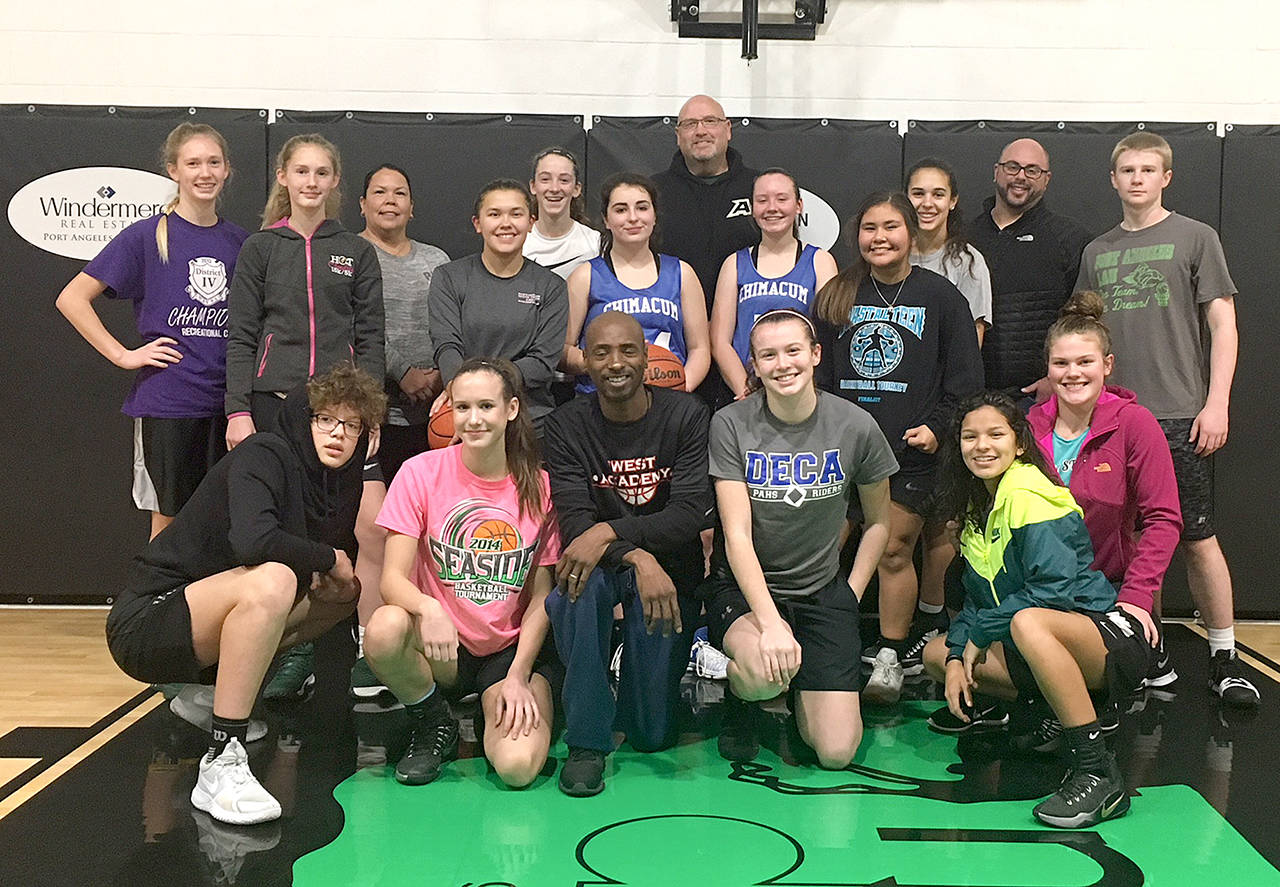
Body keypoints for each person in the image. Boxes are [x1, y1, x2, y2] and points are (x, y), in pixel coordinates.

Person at [105, 364, 387, 825]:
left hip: (204, 621)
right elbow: (255, 543)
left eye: (351, 424)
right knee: (274, 579)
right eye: (325, 419)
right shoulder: (266, 453)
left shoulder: (339, 480)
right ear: (303, 417)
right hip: (145, 623)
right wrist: (325, 557)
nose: (338, 433)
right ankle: (221, 759)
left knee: (344, 593)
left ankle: (212, 695)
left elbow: (332, 578)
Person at [1074, 131, 1258, 708]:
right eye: (1126, 170)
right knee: (1127, 542)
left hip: (1180, 415)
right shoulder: (1097, 251)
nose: (1136, 179)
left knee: (1196, 536)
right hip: (1114, 418)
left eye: (1147, 170)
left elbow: (1223, 326)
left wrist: (1217, 402)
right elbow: (1083, 334)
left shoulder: (1195, 237)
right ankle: (1146, 654)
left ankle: (1224, 656)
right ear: (1112, 178)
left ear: (1165, 177)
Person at [922, 392, 1149, 828]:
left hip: (1106, 638)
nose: (981, 445)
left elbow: (1053, 592)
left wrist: (980, 633)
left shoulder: (1029, 492)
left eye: (995, 434)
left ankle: (1098, 771)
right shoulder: (978, 505)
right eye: (970, 436)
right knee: (936, 654)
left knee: (1026, 622)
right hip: (1051, 636)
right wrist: (955, 654)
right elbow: (977, 600)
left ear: (1020, 443)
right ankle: (1053, 714)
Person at [224, 132, 385, 701]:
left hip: (339, 407)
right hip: (274, 404)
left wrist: (371, 413)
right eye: (301, 172)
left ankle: (336, 648)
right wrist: (238, 410)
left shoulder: (357, 251)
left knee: (338, 526)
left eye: (322, 172)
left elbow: (372, 338)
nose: (311, 182)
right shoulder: (261, 249)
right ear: (284, 178)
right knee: (283, 528)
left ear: (335, 181)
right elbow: (241, 335)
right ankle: (283, 650)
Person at [812, 192, 983, 704]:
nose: (879, 238)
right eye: (868, 228)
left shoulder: (942, 297)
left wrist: (939, 425)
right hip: (841, 452)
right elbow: (816, 375)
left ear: (911, 233)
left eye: (890, 227)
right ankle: (813, 645)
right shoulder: (837, 294)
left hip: (910, 453)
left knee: (891, 548)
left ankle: (891, 654)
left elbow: (967, 380)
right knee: (824, 551)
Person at [707, 308, 896, 768]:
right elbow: (736, 536)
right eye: (768, 355)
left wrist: (848, 596)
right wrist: (771, 624)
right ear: (754, 365)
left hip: (822, 591)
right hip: (749, 591)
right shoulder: (730, 424)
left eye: (793, 351)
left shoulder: (855, 425)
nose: (782, 364)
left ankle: (795, 687)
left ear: (814, 355)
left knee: (835, 752)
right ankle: (735, 687)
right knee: (762, 674)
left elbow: (878, 523)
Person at [365, 358, 561, 788]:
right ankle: (436, 723)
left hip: (508, 650)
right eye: (462, 407)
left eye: (486, 407)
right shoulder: (420, 472)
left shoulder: (540, 486)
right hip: (444, 648)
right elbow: (392, 580)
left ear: (511, 410)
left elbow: (543, 598)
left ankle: (511, 702)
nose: (473, 420)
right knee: (383, 628)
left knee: (518, 767)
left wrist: (518, 675)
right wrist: (427, 607)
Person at [543, 311, 711, 796]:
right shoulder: (567, 424)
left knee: (653, 734)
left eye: (627, 350)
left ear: (646, 357)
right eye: (601, 352)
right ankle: (587, 741)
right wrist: (637, 556)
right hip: (607, 569)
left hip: (669, 571)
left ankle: (633, 695)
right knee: (575, 589)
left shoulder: (686, 415)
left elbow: (689, 515)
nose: (615, 363)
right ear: (585, 364)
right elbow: (577, 529)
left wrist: (610, 531)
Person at [55, 123, 248, 540]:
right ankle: (155, 606)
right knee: (169, 523)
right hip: (170, 403)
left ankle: (209, 606)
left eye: (213, 162)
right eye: (193, 163)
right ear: (173, 170)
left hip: (229, 406)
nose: (205, 172)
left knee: (225, 523)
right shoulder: (146, 235)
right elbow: (72, 298)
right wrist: (125, 355)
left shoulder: (240, 243)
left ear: (227, 169)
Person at [348, 164, 451, 697]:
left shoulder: (436, 261)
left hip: (433, 419)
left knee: (431, 537)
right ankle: (371, 646)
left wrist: (437, 374)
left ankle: (421, 637)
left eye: (400, 193)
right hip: (375, 418)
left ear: (412, 207)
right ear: (362, 204)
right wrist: (399, 373)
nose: (390, 201)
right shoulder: (350, 255)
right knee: (376, 536)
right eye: (379, 193)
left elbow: (449, 325)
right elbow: (356, 328)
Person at [902, 157, 994, 675]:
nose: (927, 203)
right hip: (899, 407)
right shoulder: (888, 251)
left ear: (953, 201)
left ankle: (933, 622)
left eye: (938, 193)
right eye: (917, 193)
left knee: (944, 526)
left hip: (948, 411)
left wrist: (947, 414)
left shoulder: (968, 263)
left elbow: (970, 349)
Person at [430, 179, 569, 433]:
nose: (506, 223)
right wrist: (463, 391)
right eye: (494, 214)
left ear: (531, 222)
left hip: (531, 421)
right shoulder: (449, 277)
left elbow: (542, 362)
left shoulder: (552, 286)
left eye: (516, 214)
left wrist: (483, 384)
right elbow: (447, 345)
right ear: (478, 224)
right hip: (469, 418)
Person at [652, 94, 760, 405]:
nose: (700, 130)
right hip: (678, 350)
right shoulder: (655, 192)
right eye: (689, 124)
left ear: (728, 129)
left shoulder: (758, 189)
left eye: (710, 121)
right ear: (677, 135)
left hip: (742, 353)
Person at [561, 173, 710, 395]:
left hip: (665, 399)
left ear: (654, 215)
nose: (633, 218)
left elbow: (699, 348)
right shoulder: (586, 276)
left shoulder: (682, 273)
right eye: (621, 210)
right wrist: (608, 365)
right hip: (602, 399)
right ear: (606, 220)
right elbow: (562, 351)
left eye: (642, 208)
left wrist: (680, 386)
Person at [966, 139, 1091, 397]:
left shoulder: (1070, 239)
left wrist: (1055, 379)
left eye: (1032, 170)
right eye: (1012, 167)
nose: (1021, 177)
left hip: (1042, 397)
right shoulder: (964, 238)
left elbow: (1083, 322)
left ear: (1046, 179)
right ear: (996, 172)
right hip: (973, 396)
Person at [711, 168, 838, 401]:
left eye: (782, 199)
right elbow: (720, 341)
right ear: (752, 208)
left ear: (798, 206)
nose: (772, 208)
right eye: (762, 200)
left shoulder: (820, 262)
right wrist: (745, 390)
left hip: (800, 390)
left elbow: (826, 338)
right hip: (747, 392)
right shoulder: (735, 264)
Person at [523, 147, 601, 280]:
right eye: (545, 179)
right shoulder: (519, 242)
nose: (554, 188)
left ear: (576, 189)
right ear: (533, 186)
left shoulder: (594, 244)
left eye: (564, 180)